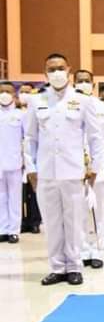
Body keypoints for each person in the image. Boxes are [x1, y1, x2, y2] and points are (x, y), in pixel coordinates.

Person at [24, 53, 104, 285]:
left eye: (60, 68)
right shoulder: (37, 100)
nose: (57, 73)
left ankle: (75, 266)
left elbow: (96, 137)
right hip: (46, 172)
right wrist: (31, 168)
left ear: (69, 70)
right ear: (45, 73)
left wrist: (95, 168)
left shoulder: (82, 100)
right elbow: (30, 138)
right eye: (51, 69)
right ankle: (57, 267)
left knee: (74, 221)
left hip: (74, 172)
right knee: (51, 222)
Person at [74, 71, 104, 268]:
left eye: (87, 81)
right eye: (80, 81)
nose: (83, 84)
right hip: (75, 166)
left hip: (100, 166)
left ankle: (99, 250)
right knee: (79, 212)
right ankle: (83, 250)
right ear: (74, 83)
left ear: (93, 85)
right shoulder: (69, 106)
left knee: (99, 211)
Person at [0, 82, 24, 243]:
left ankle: (14, 230)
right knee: (1, 198)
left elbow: (27, 139)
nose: (4, 94)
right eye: (1, 91)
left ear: (14, 95)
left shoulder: (20, 115)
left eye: (7, 91)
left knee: (15, 198)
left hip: (15, 162)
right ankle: (2, 229)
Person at [18, 82, 42, 234]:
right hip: (16, 156)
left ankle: (34, 221)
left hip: (35, 156)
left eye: (28, 91)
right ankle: (22, 221)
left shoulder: (38, 111)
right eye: (22, 91)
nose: (24, 94)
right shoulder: (15, 112)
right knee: (20, 192)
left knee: (34, 190)